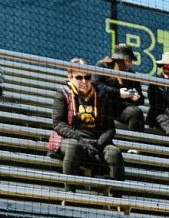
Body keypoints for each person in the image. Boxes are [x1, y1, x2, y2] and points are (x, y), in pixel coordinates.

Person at [49, 60, 125, 188]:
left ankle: (117, 198)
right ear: (70, 77)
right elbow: (58, 123)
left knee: (114, 153)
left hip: (96, 142)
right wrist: (79, 139)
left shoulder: (101, 96)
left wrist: (99, 143)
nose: (84, 81)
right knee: (74, 147)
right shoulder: (62, 94)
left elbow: (110, 129)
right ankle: (69, 192)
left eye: (87, 77)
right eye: (79, 77)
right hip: (70, 139)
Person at [95, 46, 146, 132]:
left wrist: (136, 97)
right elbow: (97, 86)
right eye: (128, 61)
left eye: (130, 61)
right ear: (118, 60)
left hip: (121, 109)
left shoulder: (131, 74)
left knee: (136, 112)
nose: (131, 64)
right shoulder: (102, 66)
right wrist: (119, 93)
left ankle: (137, 143)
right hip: (103, 107)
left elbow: (141, 98)